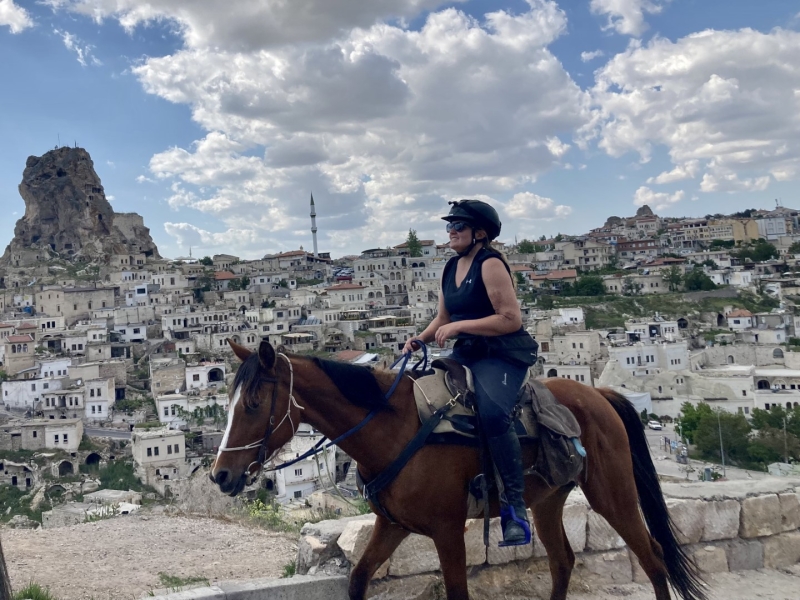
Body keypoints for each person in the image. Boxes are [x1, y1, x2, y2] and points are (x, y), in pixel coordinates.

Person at [402, 199, 538, 547]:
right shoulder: (450, 267)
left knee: (493, 414)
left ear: (479, 233)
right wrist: (420, 339)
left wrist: (463, 326)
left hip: (501, 354)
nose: (451, 231)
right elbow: (443, 320)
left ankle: (514, 508)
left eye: (458, 226)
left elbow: (510, 319)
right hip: (467, 352)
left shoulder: (490, 264)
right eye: (449, 226)